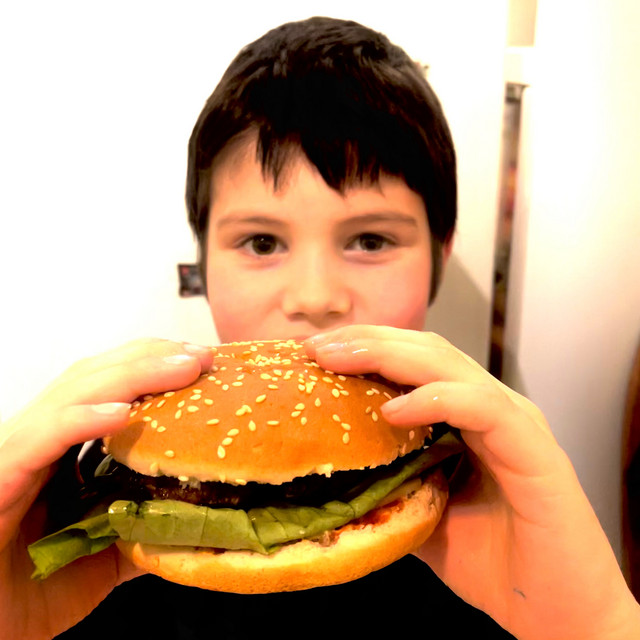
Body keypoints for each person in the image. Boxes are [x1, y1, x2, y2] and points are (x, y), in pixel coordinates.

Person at [1, 15, 638, 640]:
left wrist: (594, 626)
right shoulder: (93, 569)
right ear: (202, 268)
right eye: (260, 242)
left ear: (439, 261)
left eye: (370, 240)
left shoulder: (499, 520)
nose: (314, 298)